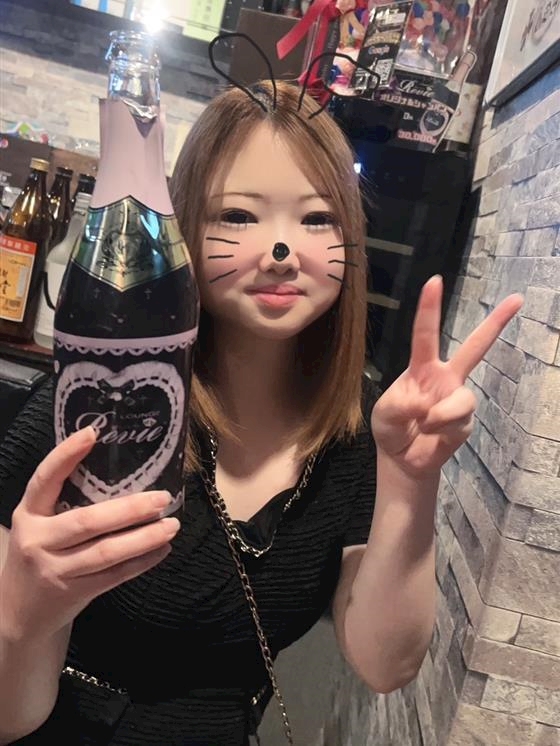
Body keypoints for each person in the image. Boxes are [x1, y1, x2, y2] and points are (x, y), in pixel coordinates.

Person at [0, 79, 522, 746]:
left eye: (317, 219)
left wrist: (411, 476)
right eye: (239, 216)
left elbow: (384, 663)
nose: (284, 251)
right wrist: (21, 618)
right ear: (185, 229)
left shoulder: (362, 432)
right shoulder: (95, 404)